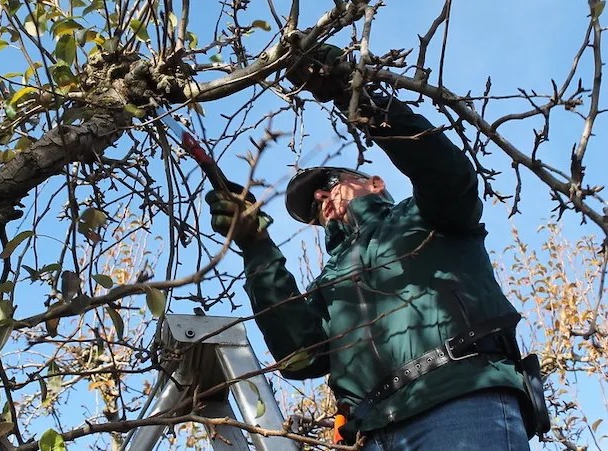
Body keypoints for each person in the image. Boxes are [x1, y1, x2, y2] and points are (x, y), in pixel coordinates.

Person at [205, 44, 548, 450]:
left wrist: (356, 97)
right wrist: (256, 245)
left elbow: (447, 172)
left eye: (328, 183)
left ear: (375, 183)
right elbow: (299, 355)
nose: (320, 199)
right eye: (313, 207)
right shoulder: (328, 281)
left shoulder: (425, 215)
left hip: (461, 399)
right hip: (370, 435)